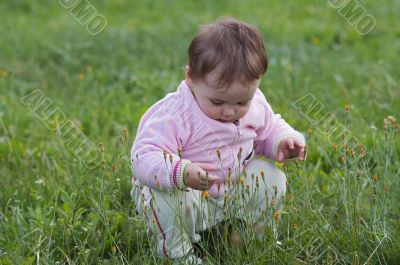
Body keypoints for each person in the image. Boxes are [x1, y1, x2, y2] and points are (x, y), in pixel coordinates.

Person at [130, 17, 306, 264]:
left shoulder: (255, 105)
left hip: (231, 193)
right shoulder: (175, 114)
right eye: (217, 102)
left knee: (271, 177)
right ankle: (177, 253)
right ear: (191, 78)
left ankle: (256, 238)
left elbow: (269, 127)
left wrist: (283, 140)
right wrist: (181, 172)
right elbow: (143, 156)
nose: (229, 112)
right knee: (167, 196)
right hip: (188, 196)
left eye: (241, 102)